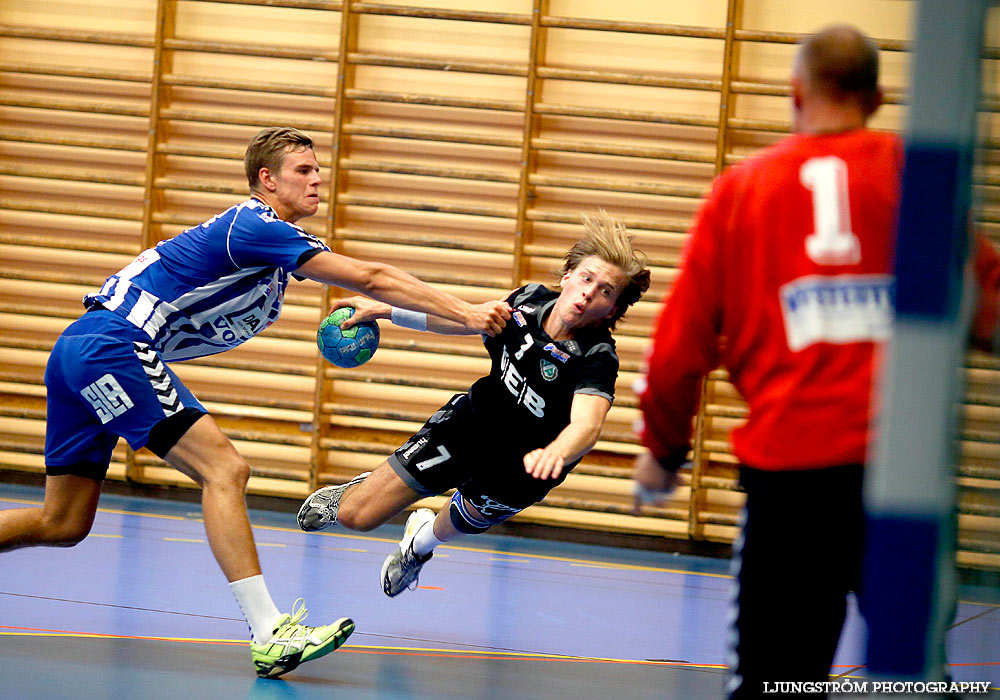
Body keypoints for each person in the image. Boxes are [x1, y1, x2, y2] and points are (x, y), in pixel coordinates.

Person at [0, 127, 511, 678]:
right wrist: (465, 310)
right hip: (111, 346)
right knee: (225, 469)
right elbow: (372, 275)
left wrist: (427, 315)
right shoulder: (253, 225)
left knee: (62, 522)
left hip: (84, 350)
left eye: (319, 170)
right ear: (266, 180)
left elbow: (366, 293)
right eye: (303, 171)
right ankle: (270, 632)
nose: (318, 179)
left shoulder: (269, 256)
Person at [630, 26, 1000, 699]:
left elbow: (678, 344)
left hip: (791, 482)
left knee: (775, 684)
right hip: (904, 476)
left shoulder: (742, 192)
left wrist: (662, 448)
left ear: (795, 92)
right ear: (880, 97)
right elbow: (990, 308)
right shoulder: (916, 178)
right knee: (914, 678)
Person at [297, 212, 650, 598]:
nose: (588, 293)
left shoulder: (596, 357)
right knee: (355, 516)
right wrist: (386, 311)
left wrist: (556, 452)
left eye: (605, 291)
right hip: (469, 428)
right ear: (567, 278)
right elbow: (464, 320)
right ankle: (364, 484)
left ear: (613, 310)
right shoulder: (527, 302)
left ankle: (418, 545)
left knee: (462, 519)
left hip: (523, 470)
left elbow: (587, 425)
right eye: (586, 278)